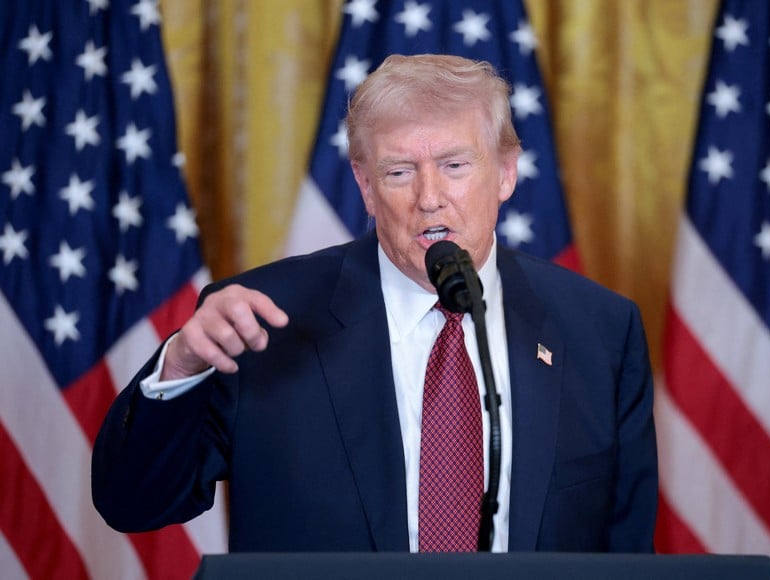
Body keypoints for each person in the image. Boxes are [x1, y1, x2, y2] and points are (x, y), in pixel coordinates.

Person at [92, 54, 657, 553]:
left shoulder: (599, 330)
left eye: (456, 165)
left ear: (506, 173)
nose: (429, 198)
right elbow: (133, 503)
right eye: (399, 171)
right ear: (365, 186)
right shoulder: (265, 322)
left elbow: (626, 555)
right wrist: (182, 366)